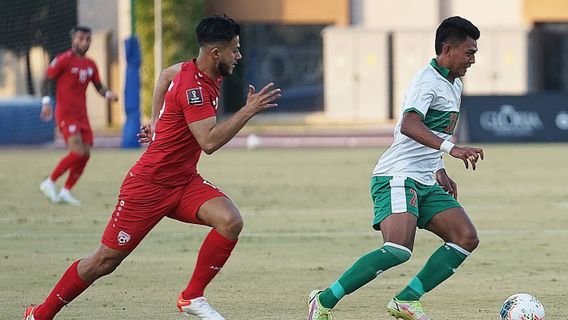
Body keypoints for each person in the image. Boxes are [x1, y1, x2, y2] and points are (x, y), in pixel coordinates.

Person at [24, 15, 281, 320]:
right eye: (234, 50)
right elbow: (208, 143)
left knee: (229, 220)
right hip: (148, 186)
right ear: (216, 53)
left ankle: (192, 297)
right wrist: (248, 110)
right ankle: (40, 314)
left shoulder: (196, 69)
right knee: (104, 261)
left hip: (183, 182)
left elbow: (163, 76)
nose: (238, 56)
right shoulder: (192, 88)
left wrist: (156, 121)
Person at [308, 16, 484, 320]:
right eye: (469, 53)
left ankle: (407, 300)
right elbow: (409, 125)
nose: (472, 60)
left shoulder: (454, 84)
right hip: (397, 176)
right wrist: (452, 149)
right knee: (398, 249)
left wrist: (439, 168)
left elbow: (435, 131)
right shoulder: (427, 81)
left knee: (465, 237)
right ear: (448, 49)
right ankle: (323, 300)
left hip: (425, 178)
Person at [39, 25, 118, 206]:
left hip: (82, 115)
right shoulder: (63, 60)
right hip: (66, 114)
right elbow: (45, 79)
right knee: (77, 152)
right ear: (73, 39)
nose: (84, 42)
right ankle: (49, 182)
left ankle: (66, 191)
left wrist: (108, 94)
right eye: (81, 38)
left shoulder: (90, 64)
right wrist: (45, 102)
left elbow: (99, 86)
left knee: (86, 154)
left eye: (88, 39)